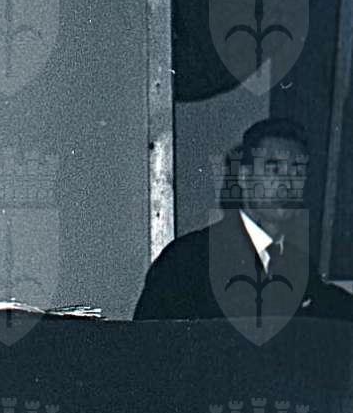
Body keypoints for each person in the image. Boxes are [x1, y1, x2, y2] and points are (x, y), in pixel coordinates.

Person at [134, 115, 353, 322]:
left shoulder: (301, 267)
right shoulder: (188, 259)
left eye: (297, 172)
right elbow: (149, 341)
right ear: (244, 177)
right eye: (274, 170)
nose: (287, 184)